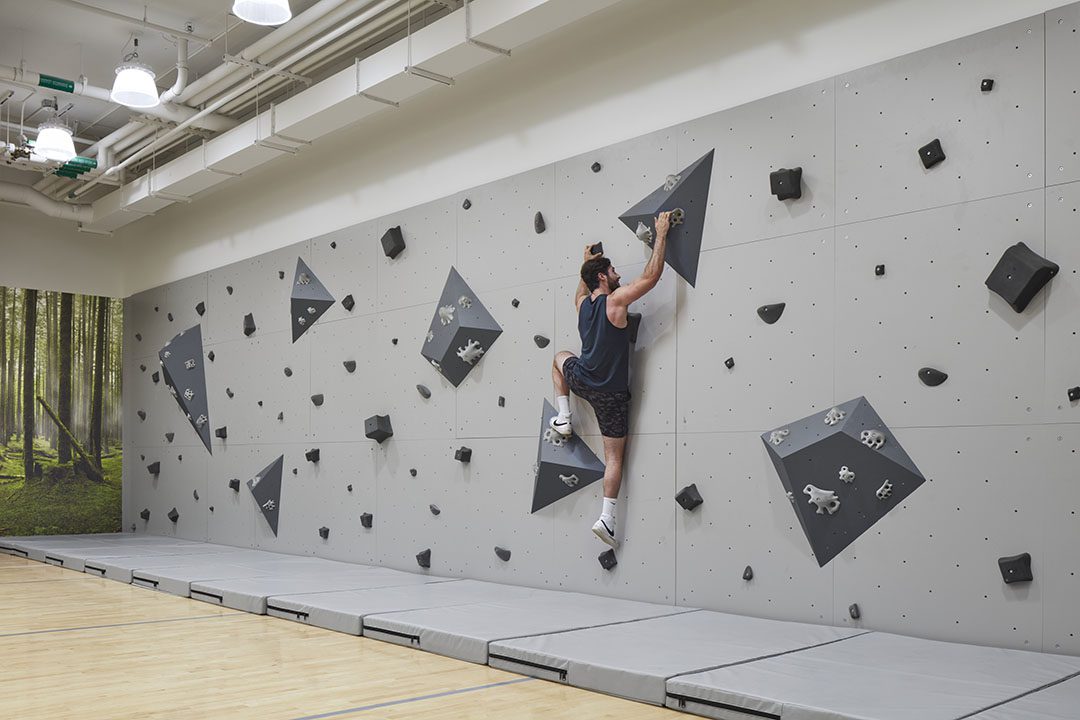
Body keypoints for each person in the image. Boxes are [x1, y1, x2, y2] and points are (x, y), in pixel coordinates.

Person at [551, 211, 671, 548]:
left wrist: (584, 265)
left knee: (559, 359)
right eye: (613, 271)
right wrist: (661, 234)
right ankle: (607, 517)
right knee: (614, 459)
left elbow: (581, 290)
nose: (618, 275)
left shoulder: (582, 305)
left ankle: (564, 416)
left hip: (584, 380)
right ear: (603, 277)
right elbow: (652, 275)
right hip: (612, 395)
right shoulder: (614, 302)